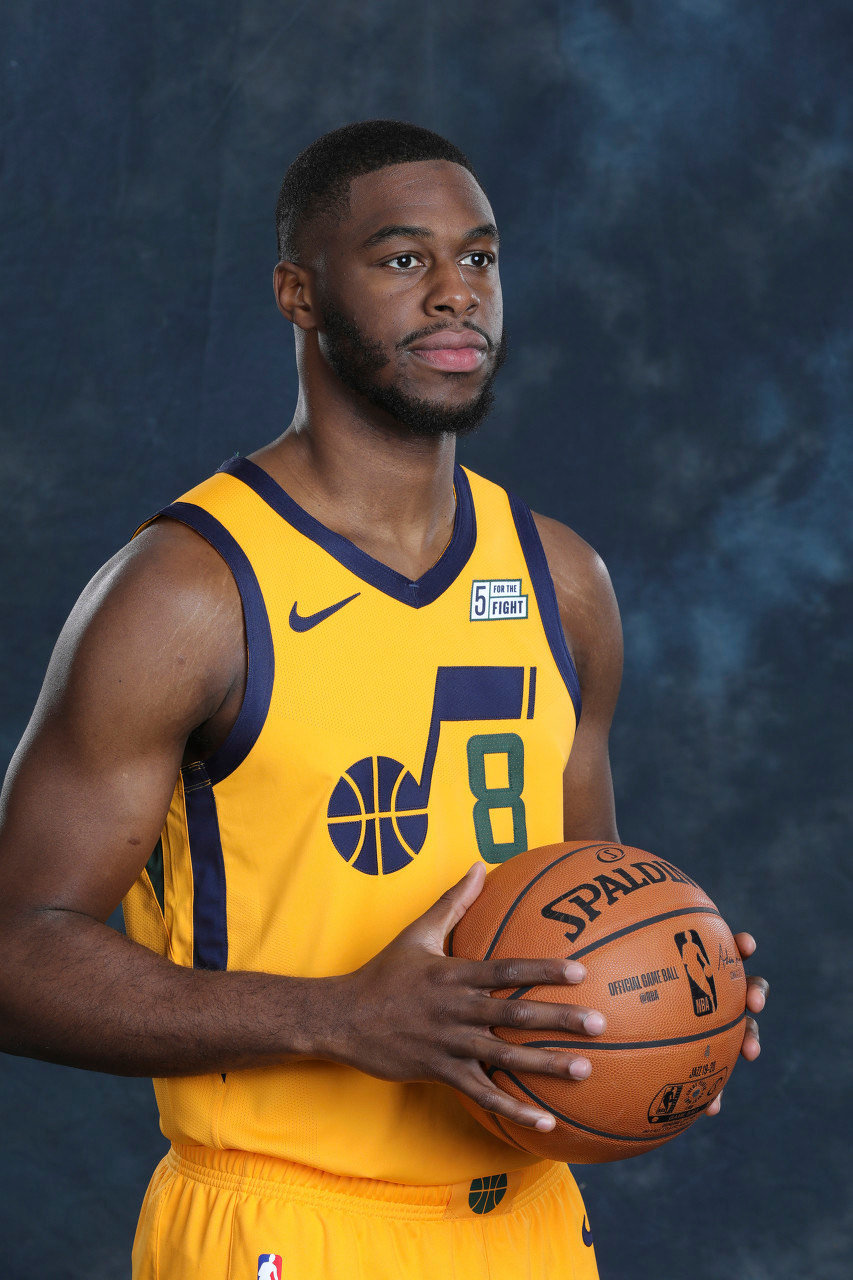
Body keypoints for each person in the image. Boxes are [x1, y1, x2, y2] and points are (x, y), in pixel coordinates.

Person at [0, 120, 767, 1279]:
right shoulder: (191, 592)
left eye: (480, 257)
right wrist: (335, 1015)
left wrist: (666, 1001)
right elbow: (15, 951)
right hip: (286, 1220)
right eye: (405, 258)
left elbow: (583, 902)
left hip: (529, 1224)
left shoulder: (562, 581)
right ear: (298, 293)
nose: (457, 292)